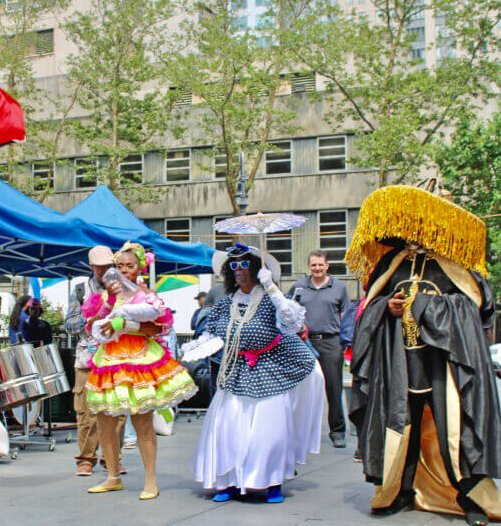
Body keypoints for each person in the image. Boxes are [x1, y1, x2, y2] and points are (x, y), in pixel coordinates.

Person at [346, 185, 501, 526]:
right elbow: (368, 307)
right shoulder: (392, 260)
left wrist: (425, 305)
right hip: (398, 360)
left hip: (446, 364)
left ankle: (470, 498)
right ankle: (400, 491)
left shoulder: (456, 262)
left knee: (455, 429)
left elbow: (478, 308)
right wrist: (387, 307)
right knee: (403, 424)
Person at [189, 243, 324, 503]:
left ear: (255, 267)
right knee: (228, 429)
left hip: (268, 370)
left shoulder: (271, 300)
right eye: (234, 265)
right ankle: (228, 482)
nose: (239, 270)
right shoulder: (225, 303)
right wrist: (199, 346)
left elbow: (294, 322)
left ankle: (272, 482)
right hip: (234, 371)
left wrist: (272, 288)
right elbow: (213, 332)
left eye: (244, 264)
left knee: (268, 431)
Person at [83, 241, 197, 499]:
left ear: (140, 267)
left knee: (142, 421)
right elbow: (92, 324)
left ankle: (150, 481)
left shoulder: (147, 296)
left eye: (130, 266)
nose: (124, 271)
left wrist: (127, 324)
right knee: (104, 420)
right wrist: (106, 310)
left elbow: (159, 329)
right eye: (119, 266)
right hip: (109, 361)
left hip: (139, 360)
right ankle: (112, 476)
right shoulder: (106, 294)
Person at [64, 246, 127, 477]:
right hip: (87, 356)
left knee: (118, 408)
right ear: (91, 267)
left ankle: (113, 458)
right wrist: (91, 317)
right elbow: (69, 325)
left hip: (116, 354)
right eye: (100, 266)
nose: (104, 270)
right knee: (86, 409)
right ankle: (86, 458)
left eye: (108, 266)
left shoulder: (123, 287)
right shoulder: (80, 289)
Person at [288, 250, 349, 448]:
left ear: (327, 266)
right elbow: (287, 310)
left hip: (331, 342)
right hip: (305, 342)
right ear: (309, 266)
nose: (317, 268)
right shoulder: (299, 287)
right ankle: (298, 432)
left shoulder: (339, 287)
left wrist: (347, 341)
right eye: (313, 265)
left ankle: (338, 431)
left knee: (334, 387)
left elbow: (346, 316)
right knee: (301, 389)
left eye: (320, 265)